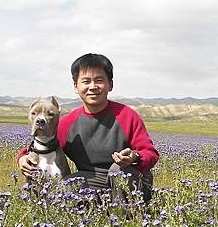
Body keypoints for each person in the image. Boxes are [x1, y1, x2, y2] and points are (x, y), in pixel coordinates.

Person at [17, 53, 159, 202]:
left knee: (117, 171)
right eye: (86, 81)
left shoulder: (127, 116)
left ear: (110, 84)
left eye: (99, 80)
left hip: (130, 178)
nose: (92, 87)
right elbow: (45, 143)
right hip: (91, 180)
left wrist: (134, 157)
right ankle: (98, 213)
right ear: (76, 86)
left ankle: (128, 216)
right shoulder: (68, 122)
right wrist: (22, 158)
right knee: (66, 186)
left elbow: (150, 153)